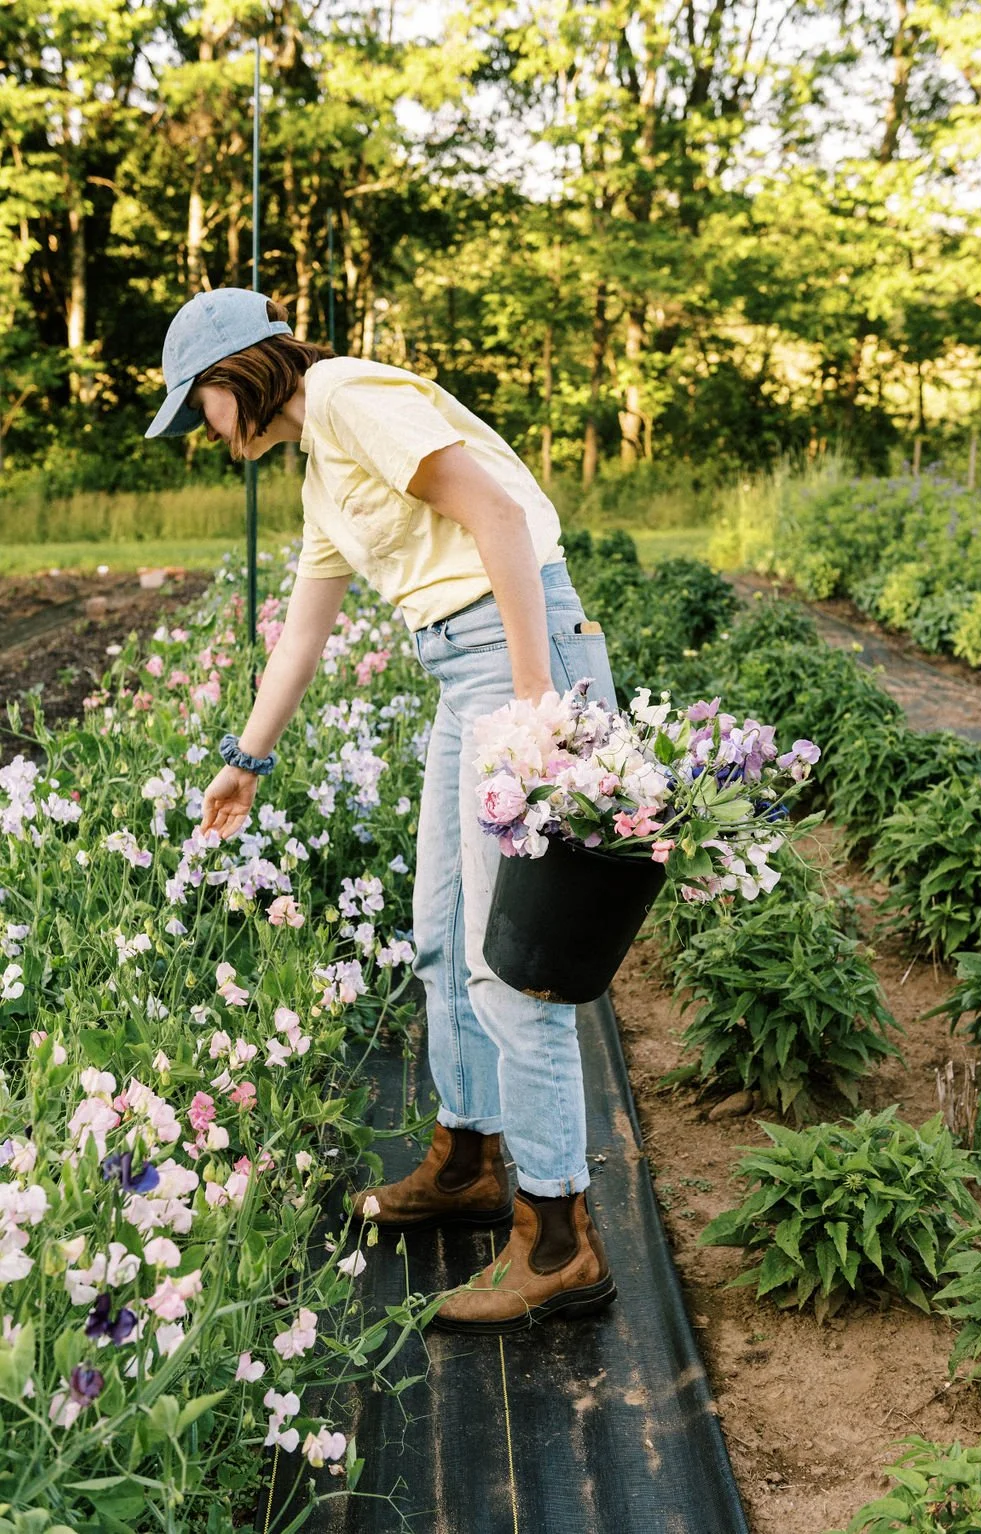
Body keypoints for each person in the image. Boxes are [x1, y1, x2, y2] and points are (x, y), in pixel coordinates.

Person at [145, 286, 618, 1334]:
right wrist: (244, 765)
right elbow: (302, 636)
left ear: (239, 377)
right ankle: (467, 1158)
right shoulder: (323, 469)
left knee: (512, 963)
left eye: (201, 408)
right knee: (442, 933)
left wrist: (536, 706)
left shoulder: (348, 393)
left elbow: (494, 511)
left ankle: (559, 1239)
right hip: (466, 673)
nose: (202, 432)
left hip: (512, 655)